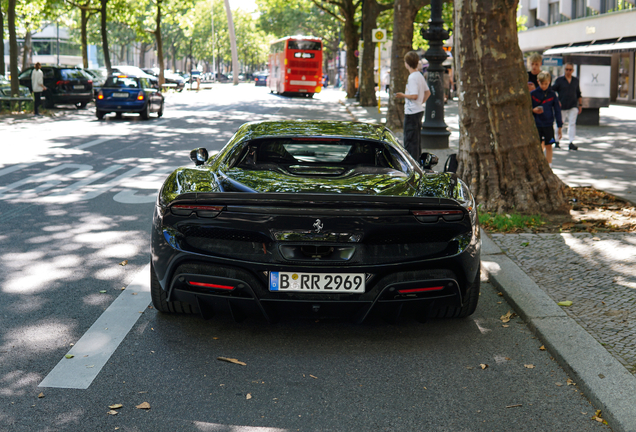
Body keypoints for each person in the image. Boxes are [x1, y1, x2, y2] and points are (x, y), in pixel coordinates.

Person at [394, 51, 431, 160]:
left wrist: (403, 95)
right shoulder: (419, 75)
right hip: (418, 110)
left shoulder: (412, 77)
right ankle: (417, 162)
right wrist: (421, 102)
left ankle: (411, 164)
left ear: (407, 63)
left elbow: (414, 95)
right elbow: (427, 92)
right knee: (416, 140)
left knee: (410, 141)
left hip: (411, 112)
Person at [531, 71, 562, 167]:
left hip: (548, 124)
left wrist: (559, 126)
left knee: (549, 145)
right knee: (538, 146)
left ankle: (549, 165)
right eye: (542, 83)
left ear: (549, 82)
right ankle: (538, 164)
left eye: (546, 84)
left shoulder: (552, 95)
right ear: (538, 82)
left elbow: (557, 110)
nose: (544, 86)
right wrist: (533, 110)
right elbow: (526, 109)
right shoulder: (533, 94)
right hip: (537, 124)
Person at [551, 63, 582, 151]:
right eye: (566, 69)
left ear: (573, 70)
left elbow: (578, 93)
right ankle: (557, 141)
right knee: (559, 123)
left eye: (570, 70)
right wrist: (556, 101)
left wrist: (580, 104)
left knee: (572, 123)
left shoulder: (575, 80)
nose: (568, 71)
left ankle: (571, 142)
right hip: (562, 105)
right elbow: (552, 90)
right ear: (564, 70)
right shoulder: (559, 80)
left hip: (573, 105)